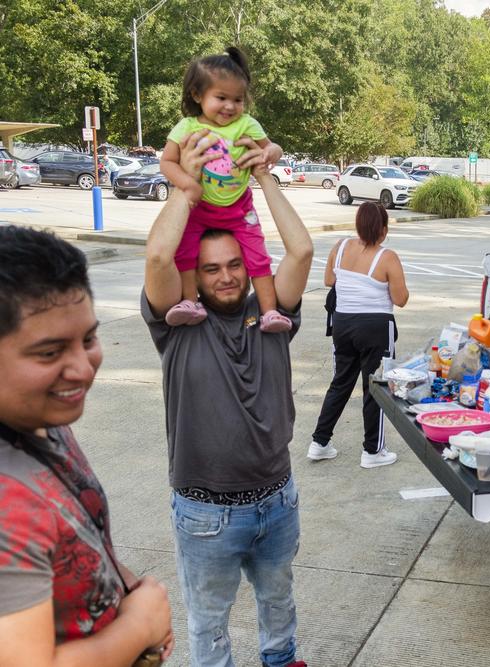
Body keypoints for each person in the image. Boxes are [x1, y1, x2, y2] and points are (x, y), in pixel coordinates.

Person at [142, 130, 313, 667]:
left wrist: (263, 174)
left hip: (277, 499)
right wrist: (187, 191)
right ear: (198, 272)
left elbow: (302, 249)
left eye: (234, 264)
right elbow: (157, 255)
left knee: (279, 604)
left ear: (249, 264)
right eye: (211, 268)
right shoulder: (179, 322)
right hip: (204, 511)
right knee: (209, 624)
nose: (224, 276)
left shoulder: (272, 317)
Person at [0, 226, 174, 666]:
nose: (82, 368)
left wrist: (124, 588)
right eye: (49, 353)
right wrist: (137, 628)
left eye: (89, 339)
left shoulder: (41, 417)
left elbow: (69, 535)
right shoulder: (6, 505)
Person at [158, 45, 289, 333]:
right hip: (200, 209)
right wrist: (187, 184)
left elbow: (273, 147)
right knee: (185, 253)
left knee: (258, 256)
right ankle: (190, 303)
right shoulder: (187, 128)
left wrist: (271, 154)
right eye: (221, 98)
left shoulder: (246, 124)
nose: (230, 106)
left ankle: (269, 313)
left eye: (237, 99)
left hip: (239, 209)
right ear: (197, 95)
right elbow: (166, 162)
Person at [307, 202, 409, 468]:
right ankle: (373, 451)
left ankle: (319, 442)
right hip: (375, 327)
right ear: (383, 230)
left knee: (340, 382)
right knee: (375, 388)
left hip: (343, 324)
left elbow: (330, 280)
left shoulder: (340, 246)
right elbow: (401, 299)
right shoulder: (387, 257)